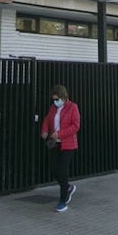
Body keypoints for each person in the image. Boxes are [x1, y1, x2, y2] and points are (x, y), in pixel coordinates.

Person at [40, 84, 80, 212]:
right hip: (55, 143)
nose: (55, 102)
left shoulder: (73, 107)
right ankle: (68, 187)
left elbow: (75, 126)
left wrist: (60, 134)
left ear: (63, 97)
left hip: (68, 144)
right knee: (54, 170)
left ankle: (63, 200)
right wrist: (45, 130)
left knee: (62, 171)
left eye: (57, 99)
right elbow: (47, 119)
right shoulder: (53, 108)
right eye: (54, 99)